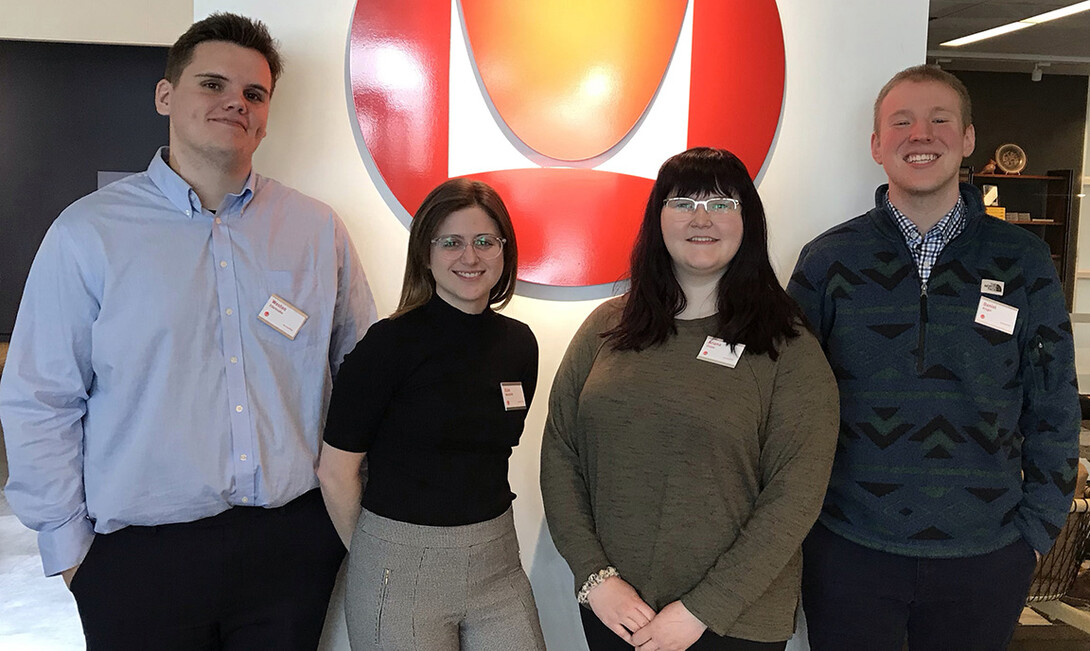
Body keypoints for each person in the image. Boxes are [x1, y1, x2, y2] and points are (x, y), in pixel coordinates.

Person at [0, 13, 376, 650]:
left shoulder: (315, 231)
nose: (236, 102)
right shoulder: (88, 233)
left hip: (291, 546)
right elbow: (40, 397)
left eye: (254, 94)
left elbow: (362, 375)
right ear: (165, 95)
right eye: (213, 84)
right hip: (136, 561)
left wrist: (341, 528)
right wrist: (71, 553)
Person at [788, 65, 1080, 651]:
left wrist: (1037, 530)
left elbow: (1054, 401)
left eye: (939, 120)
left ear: (968, 139)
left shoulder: (1023, 261)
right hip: (849, 550)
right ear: (876, 144)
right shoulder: (828, 261)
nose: (920, 134)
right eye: (901, 122)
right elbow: (790, 404)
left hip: (986, 556)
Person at [540, 147, 840, 651]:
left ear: (748, 221)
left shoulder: (788, 346)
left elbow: (795, 496)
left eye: (722, 203)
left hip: (733, 623)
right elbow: (561, 455)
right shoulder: (606, 328)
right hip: (617, 613)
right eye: (683, 202)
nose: (702, 218)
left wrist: (705, 608)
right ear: (659, 218)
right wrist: (596, 579)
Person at [317, 178, 546, 651]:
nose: (471, 257)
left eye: (485, 241)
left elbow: (494, 447)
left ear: (504, 251)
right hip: (398, 564)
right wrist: (375, 556)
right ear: (426, 253)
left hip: (497, 561)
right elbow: (337, 472)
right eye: (452, 243)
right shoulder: (388, 345)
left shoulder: (519, 344)